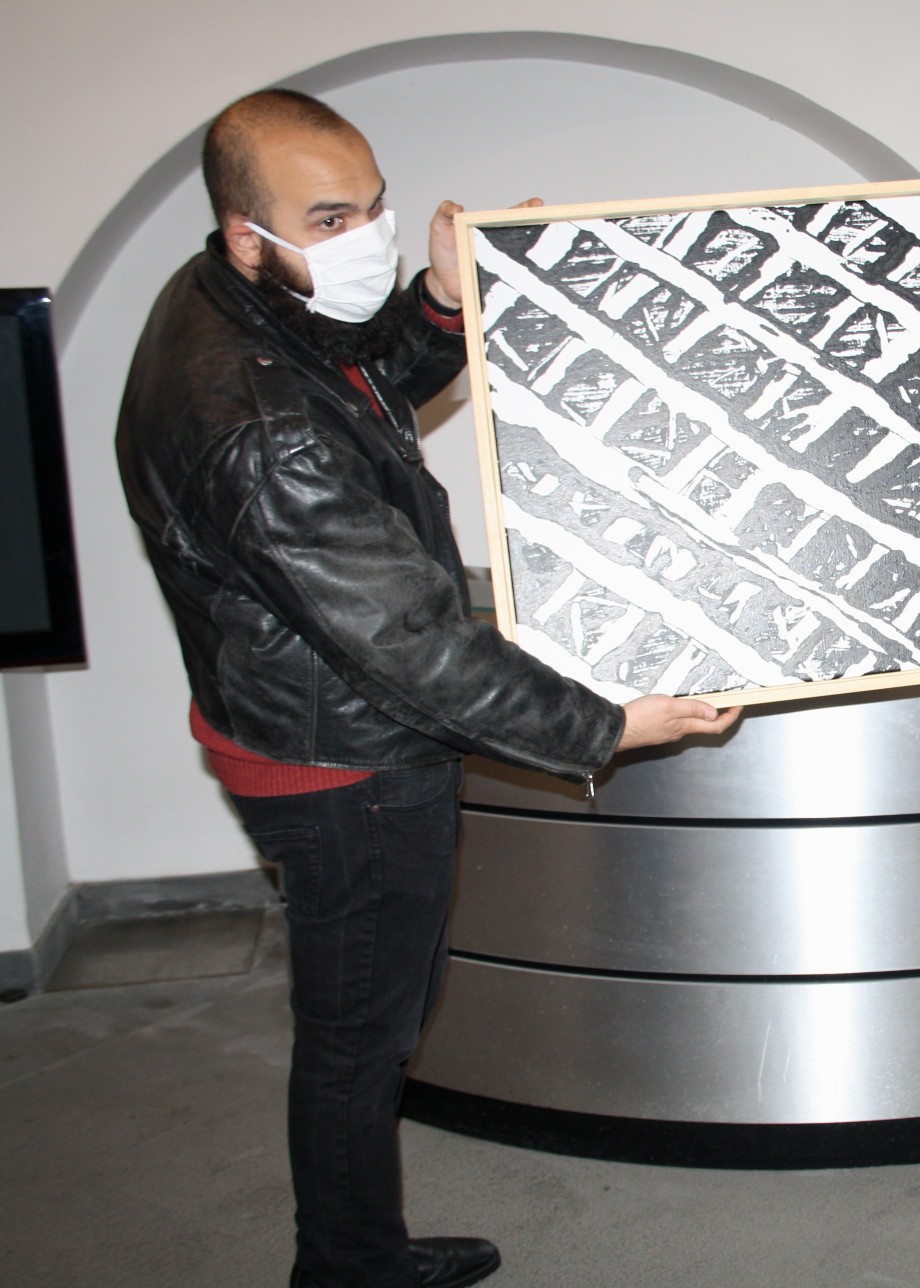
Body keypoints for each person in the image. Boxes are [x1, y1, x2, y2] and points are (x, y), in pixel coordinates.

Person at [116, 89, 737, 1288]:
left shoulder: (232, 298)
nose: (366, 234)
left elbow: (356, 373)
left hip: (295, 716)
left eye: (374, 206)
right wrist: (605, 726)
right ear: (247, 232)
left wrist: (443, 301)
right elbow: (411, 644)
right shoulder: (255, 425)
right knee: (362, 1032)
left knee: (362, 1014)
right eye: (330, 218)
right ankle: (347, 1266)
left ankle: (355, 1249)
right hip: (347, 765)